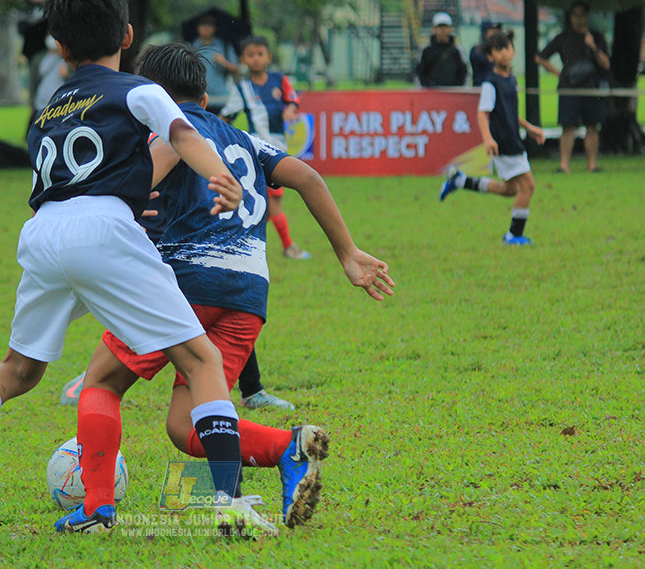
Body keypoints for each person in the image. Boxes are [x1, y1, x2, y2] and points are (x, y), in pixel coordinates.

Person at [0, 0, 274, 536]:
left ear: (60, 47)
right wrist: (223, 177)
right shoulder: (139, 89)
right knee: (203, 361)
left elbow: (75, 177)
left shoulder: (49, 107)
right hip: (103, 230)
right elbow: (184, 134)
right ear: (127, 36)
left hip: (42, 234)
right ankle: (228, 508)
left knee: (19, 369)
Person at [59, 42, 394, 533]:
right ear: (207, 97)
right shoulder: (246, 141)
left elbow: (128, 191)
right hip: (247, 294)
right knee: (185, 426)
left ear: (152, 97)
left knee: (102, 383)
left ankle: (97, 509)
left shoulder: (171, 135)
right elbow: (307, 176)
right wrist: (347, 253)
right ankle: (288, 447)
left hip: (185, 283)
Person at [439, 29, 546, 245]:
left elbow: (508, 111)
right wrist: (488, 138)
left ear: (513, 51)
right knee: (528, 186)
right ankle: (514, 235)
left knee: (511, 189)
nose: (505, 53)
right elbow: (482, 113)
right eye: (499, 50)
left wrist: (529, 127)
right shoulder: (490, 83)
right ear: (490, 57)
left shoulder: (511, 79)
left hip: (512, 138)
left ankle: (461, 181)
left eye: (507, 48)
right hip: (504, 141)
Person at [221, 36, 311, 260]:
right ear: (243, 60)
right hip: (255, 152)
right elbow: (226, 116)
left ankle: (241, 245)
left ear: (269, 57)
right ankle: (288, 247)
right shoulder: (242, 88)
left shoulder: (279, 80)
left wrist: (290, 109)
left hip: (278, 150)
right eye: (251, 55)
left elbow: (292, 99)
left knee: (262, 201)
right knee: (272, 200)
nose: (256, 59)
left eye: (260, 54)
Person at [535, 1, 610, 174]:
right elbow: (540, 58)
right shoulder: (563, 38)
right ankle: (564, 165)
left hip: (592, 89)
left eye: (582, 14)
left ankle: (592, 165)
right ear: (570, 16)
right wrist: (558, 73)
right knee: (567, 127)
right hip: (569, 88)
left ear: (587, 16)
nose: (578, 18)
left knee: (592, 126)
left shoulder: (596, 37)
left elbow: (606, 64)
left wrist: (592, 46)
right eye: (574, 14)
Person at [190, 14, 239, 109]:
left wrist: (224, 62)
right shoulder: (192, 47)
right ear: (198, 28)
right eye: (203, 25)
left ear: (215, 28)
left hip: (221, 97)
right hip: (198, 97)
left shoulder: (224, 46)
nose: (205, 28)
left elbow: (236, 68)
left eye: (209, 25)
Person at [416, 12, 468, 88]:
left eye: (445, 27)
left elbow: (464, 72)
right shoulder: (426, 50)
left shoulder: (457, 50)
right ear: (434, 29)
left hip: (453, 93)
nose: (442, 30)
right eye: (439, 27)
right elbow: (420, 72)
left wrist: (460, 90)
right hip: (431, 94)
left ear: (450, 29)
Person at [33, 35, 69, 115]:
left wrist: (66, 75)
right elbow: (34, 80)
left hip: (58, 100)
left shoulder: (65, 60)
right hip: (41, 100)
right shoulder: (40, 58)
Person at [470, 20, 502, 87]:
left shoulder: (499, 50)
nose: (495, 33)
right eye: (492, 30)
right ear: (484, 32)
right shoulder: (476, 50)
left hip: (497, 90)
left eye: (496, 30)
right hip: (480, 90)